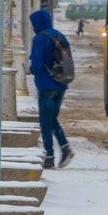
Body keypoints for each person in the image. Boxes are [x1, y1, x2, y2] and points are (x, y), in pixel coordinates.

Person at [29, 9, 73, 169]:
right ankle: (64, 147)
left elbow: (36, 64)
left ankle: (49, 156)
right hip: (61, 83)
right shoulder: (59, 36)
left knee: (45, 121)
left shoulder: (40, 38)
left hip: (46, 84)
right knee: (52, 118)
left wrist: (33, 68)